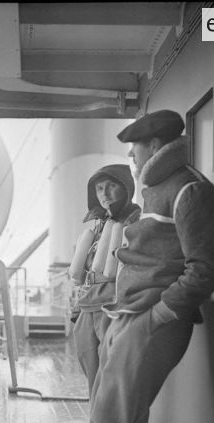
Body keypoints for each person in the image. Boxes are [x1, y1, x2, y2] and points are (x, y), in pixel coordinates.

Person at [13, 109, 214, 423]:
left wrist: (157, 316)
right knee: (119, 416)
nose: (130, 158)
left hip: (151, 321)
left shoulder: (189, 190)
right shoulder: (157, 191)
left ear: (153, 147)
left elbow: (205, 267)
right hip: (126, 314)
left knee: (110, 419)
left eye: (134, 149)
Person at [70, 164, 140, 396]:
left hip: (114, 308)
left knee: (112, 379)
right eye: (99, 188)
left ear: (127, 188)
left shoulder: (137, 222)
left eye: (112, 186)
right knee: (92, 377)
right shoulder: (98, 227)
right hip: (87, 308)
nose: (105, 194)